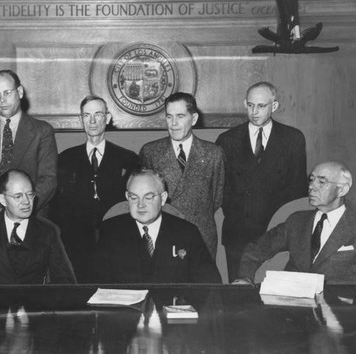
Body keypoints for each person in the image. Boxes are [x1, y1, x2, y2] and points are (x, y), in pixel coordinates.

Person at [216, 81, 307, 281]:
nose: (254, 112)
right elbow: (222, 189)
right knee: (238, 293)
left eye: (261, 106)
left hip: (277, 234)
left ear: (274, 106)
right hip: (237, 233)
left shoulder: (293, 139)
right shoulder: (227, 140)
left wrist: (282, 228)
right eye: (250, 105)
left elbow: (298, 190)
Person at [52, 95, 139, 282]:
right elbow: (57, 206)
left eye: (98, 114)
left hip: (115, 242)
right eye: (87, 115)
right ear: (80, 119)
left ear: (107, 118)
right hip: (76, 245)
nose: (92, 121)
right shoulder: (65, 159)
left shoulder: (127, 158)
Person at [235, 161, 355, 284]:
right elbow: (256, 250)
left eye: (321, 182)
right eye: (311, 180)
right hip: (290, 297)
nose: (311, 187)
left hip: (338, 300)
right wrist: (245, 278)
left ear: (342, 190)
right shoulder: (296, 221)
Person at [0, 69, 58, 224]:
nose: (2, 100)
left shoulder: (42, 131)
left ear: (19, 92)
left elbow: (48, 181)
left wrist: (19, 211)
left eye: (7, 92)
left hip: (29, 221)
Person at [94, 169, 221, 284]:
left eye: (148, 197)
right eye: (134, 198)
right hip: (127, 308)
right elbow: (98, 282)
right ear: (127, 197)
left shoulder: (186, 232)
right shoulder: (111, 231)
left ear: (163, 198)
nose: (140, 205)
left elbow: (209, 284)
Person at [139, 92, 225, 258]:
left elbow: (216, 197)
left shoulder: (213, 153)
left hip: (202, 234)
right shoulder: (150, 152)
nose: (174, 123)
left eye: (180, 116)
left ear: (193, 119)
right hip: (163, 233)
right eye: (169, 117)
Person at [0, 169, 76, 284]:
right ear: (2, 199)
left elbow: (64, 281)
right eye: (18, 196)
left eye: (30, 194)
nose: (26, 202)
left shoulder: (47, 232)